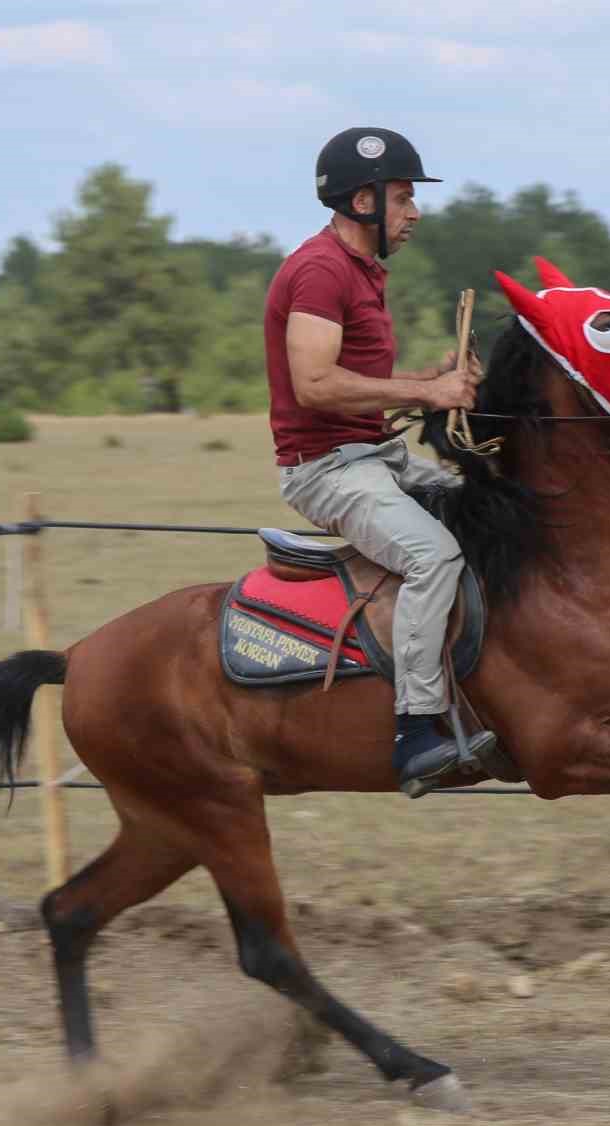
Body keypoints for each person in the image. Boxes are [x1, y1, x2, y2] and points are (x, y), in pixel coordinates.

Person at [263, 126, 494, 797]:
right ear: (363, 201)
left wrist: (433, 374)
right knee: (433, 556)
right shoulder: (319, 270)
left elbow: (359, 386)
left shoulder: (362, 271)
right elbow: (314, 384)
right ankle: (416, 731)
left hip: (374, 453)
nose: (414, 212)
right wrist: (426, 391)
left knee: (484, 507)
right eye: (403, 198)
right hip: (327, 471)